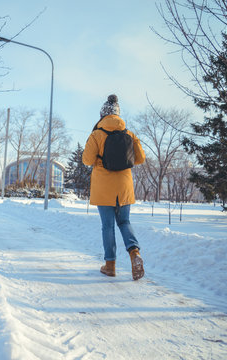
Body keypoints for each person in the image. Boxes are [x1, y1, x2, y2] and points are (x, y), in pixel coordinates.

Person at [82, 94, 146, 280]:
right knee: (124, 222)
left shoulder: (97, 134)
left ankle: (110, 265)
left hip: (104, 187)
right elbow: (140, 159)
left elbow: (86, 160)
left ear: (103, 115)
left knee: (107, 226)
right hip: (124, 186)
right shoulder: (129, 133)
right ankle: (135, 253)